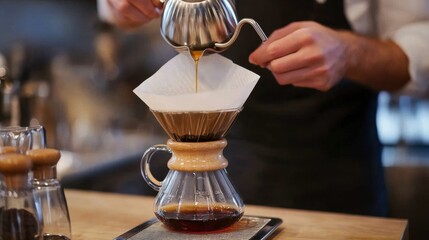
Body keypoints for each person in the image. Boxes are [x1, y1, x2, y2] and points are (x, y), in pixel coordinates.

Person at [99, 0, 429, 216]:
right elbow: (114, 8)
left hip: (330, 185)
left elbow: (420, 40)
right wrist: (121, 6)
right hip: (221, 182)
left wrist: (350, 52)